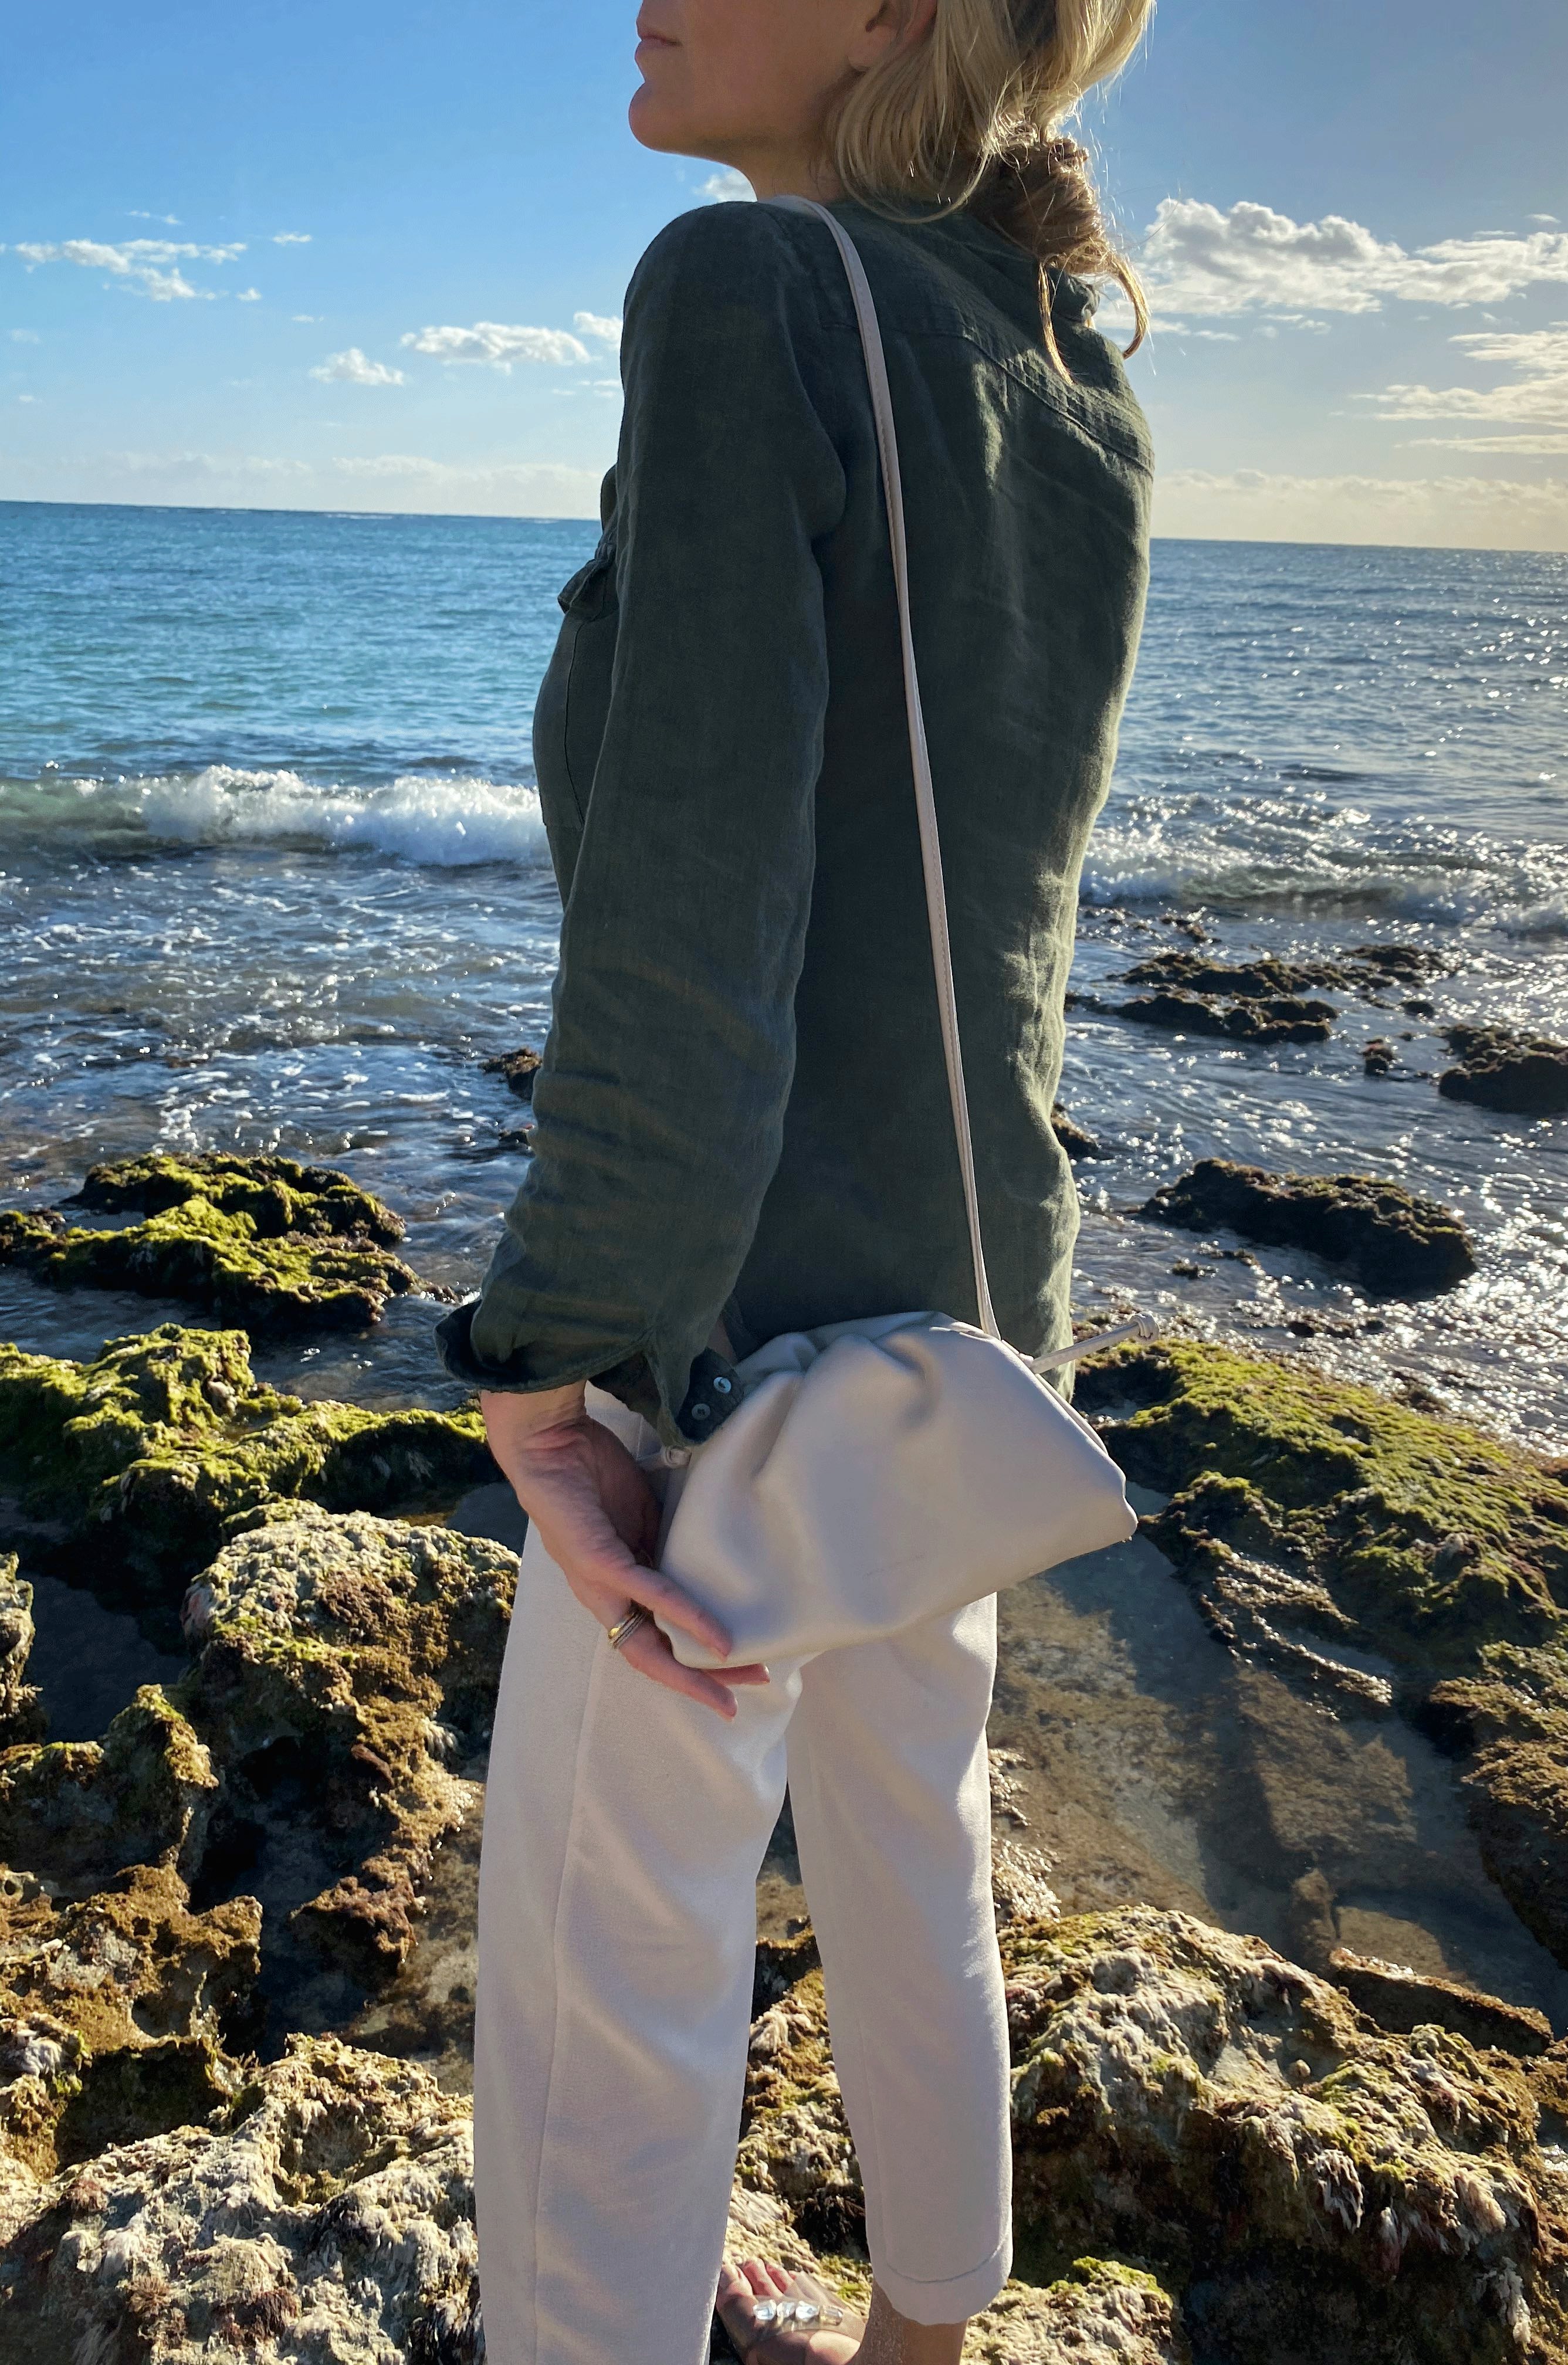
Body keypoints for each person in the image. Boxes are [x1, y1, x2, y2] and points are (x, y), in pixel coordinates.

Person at [436, 0, 1154, 2356]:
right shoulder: (1062, 363)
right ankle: (927, 2328)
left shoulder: (741, 286)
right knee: (906, 1838)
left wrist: (557, 1353)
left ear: (889, 13)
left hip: (734, 1341)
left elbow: (693, 896)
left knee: (603, 2001)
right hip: (967, 1314)